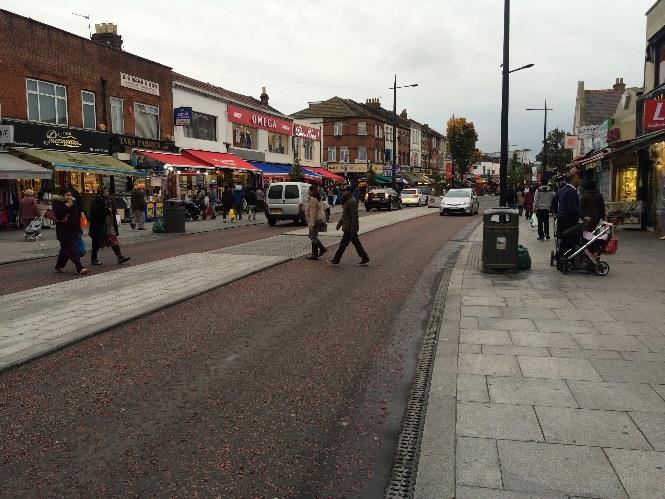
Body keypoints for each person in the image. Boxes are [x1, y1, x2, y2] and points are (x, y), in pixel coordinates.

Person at [89, 185, 130, 266]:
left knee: (113, 239)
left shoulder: (110, 199)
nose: (107, 193)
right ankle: (94, 259)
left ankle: (119, 257)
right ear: (101, 192)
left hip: (109, 224)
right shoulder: (96, 201)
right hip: (100, 225)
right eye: (105, 191)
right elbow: (95, 212)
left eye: (108, 191)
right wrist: (106, 210)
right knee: (96, 243)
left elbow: (113, 210)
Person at [329, 186, 370, 266]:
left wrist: (353, 230)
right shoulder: (348, 201)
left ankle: (336, 259)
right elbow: (345, 215)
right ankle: (364, 258)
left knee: (343, 245)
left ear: (349, 192)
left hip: (350, 228)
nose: (343, 192)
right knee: (355, 244)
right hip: (348, 227)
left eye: (345, 191)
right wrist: (339, 224)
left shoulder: (352, 201)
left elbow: (354, 217)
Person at [52, 187, 88, 275]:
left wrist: (79, 229)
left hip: (74, 230)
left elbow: (76, 216)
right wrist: (66, 206)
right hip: (63, 231)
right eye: (67, 195)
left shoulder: (74, 202)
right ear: (62, 195)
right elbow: (59, 215)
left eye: (70, 195)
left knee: (67, 250)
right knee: (72, 250)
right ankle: (80, 268)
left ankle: (59, 266)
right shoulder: (57, 202)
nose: (69, 197)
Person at [558, 168, 588, 265]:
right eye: (577, 178)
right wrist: (583, 216)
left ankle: (561, 257)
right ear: (573, 179)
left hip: (562, 218)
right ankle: (568, 259)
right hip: (568, 220)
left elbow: (555, 201)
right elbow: (572, 207)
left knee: (564, 239)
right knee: (570, 240)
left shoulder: (562, 189)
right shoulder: (571, 191)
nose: (578, 180)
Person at [305, 185, 327, 260]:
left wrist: (311, 223)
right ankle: (321, 248)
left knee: (313, 236)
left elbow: (313, 212)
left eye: (308, 190)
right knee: (311, 235)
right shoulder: (317, 198)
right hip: (318, 219)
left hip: (315, 220)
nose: (307, 191)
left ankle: (315, 254)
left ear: (312, 191)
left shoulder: (313, 199)